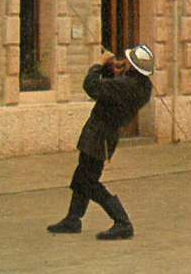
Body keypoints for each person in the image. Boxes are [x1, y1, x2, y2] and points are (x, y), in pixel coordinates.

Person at [48, 45, 154, 241]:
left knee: (89, 181)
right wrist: (112, 70)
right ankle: (73, 219)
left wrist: (98, 65)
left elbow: (92, 87)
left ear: (134, 66)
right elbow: (113, 89)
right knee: (83, 175)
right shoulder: (143, 86)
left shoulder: (125, 85)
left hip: (99, 135)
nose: (126, 62)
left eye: (129, 61)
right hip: (105, 135)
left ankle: (122, 222)